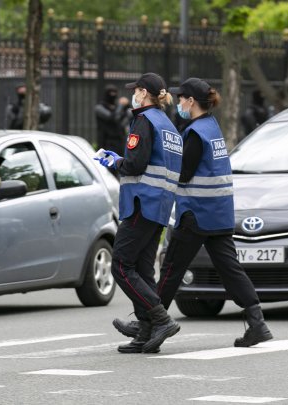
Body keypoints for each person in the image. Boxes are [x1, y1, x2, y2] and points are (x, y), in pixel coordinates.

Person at [131, 77, 272, 350]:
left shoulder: (195, 133)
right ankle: (257, 323)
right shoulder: (212, 128)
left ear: (191, 101)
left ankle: (151, 324)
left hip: (196, 213)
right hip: (218, 213)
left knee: (171, 269)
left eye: (182, 98)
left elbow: (183, 174)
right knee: (231, 270)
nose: (179, 103)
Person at [95, 73, 182, 354]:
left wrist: (115, 160)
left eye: (137, 91)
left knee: (121, 264)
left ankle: (160, 319)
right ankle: (146, 332)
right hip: (159, 205)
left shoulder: (144, 120)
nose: (134, 95)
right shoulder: (167, 124)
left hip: (141, 202)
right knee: (144, 269)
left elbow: (135, 164)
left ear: (144, 93)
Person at [95, 84, 131, 153]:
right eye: (111, 93)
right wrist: (121, 105)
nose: (113, 95)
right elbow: (113, 118)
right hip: (105, 143)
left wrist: (127, 105)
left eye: (115, 92)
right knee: (107, 162)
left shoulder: (117, 107)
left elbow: (125, 119)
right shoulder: (100, 108)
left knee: (119, 162)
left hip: (120, 142)